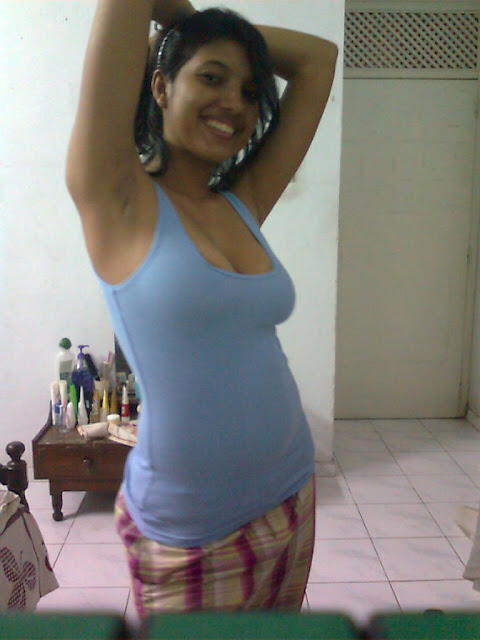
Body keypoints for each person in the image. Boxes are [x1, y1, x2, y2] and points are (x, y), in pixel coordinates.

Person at [66, 0, 338, 616]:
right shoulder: (116, 197)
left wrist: (198, 38)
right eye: (211, 77)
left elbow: (320, 60)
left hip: (293, 494)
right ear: (160, 86)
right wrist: (190, 29)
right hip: (192, 535)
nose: (234, 103)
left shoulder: (243, 201)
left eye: (250, 90)